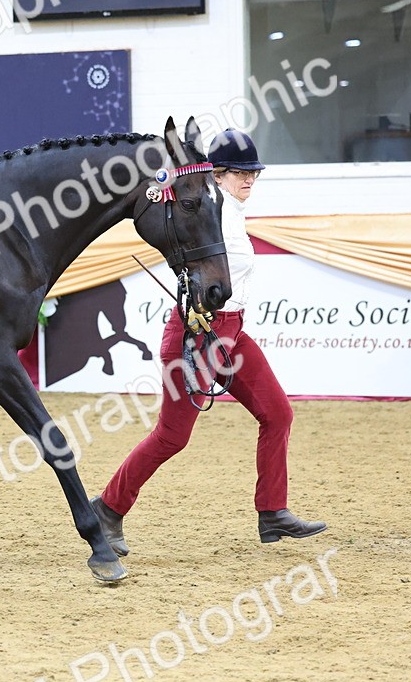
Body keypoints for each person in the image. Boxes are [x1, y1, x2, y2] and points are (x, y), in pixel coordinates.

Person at [90, 129, 326, 554]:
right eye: (239, 172)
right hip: (197, 332)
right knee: (172, 436)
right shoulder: (206, 209)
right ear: (216, 175)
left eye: (253, 173)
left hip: (232, 332)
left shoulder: (232, 210)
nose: (249, 179)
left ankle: (273, 511)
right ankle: (107, 508)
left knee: (278, 413)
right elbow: (169, 210)